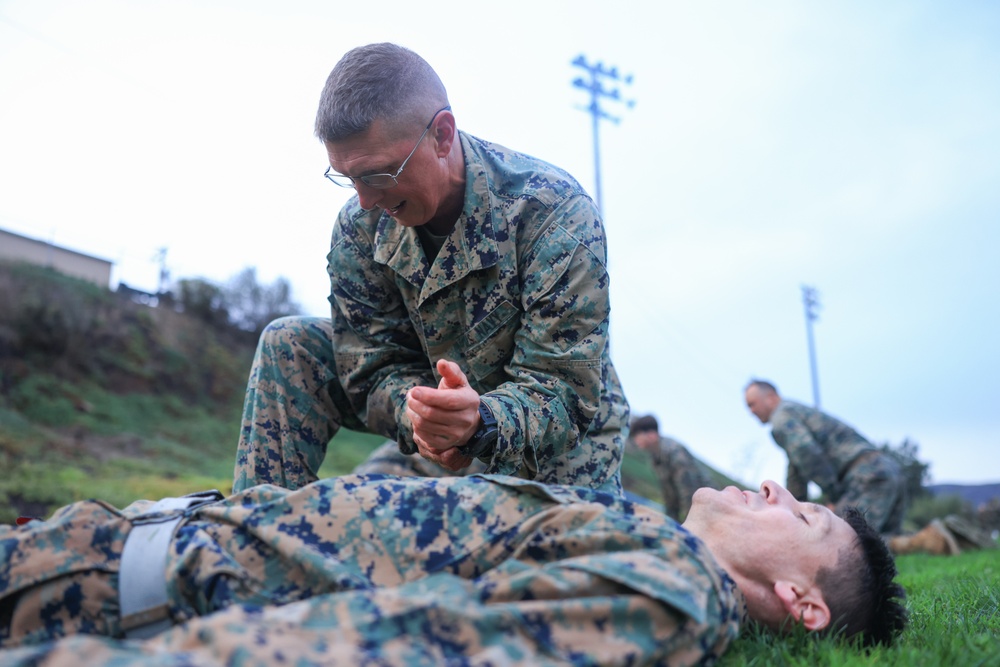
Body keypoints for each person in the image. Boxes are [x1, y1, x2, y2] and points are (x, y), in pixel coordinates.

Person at [233, 42, 629, 496]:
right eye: (348, 178)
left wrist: (479, 420)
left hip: (554, 448)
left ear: (442, 135)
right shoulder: (361, 226)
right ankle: (255, 538)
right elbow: (370, 365)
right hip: (437, 443)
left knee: (542, 562)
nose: (364, 199)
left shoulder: (554, 214)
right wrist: (421, 416)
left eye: (378, 173)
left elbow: (561, 391)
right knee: (290, 344)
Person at [0, 474, 906, 664]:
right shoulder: (642, 526)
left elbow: (390, 650)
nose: (774, 486)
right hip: (86, 540)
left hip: (79, 609)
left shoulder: (675, 593)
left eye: (805, 515)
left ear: (801, 602)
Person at [744, 379, 907, 535]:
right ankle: (925, 540)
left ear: (771, 397)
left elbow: (806, 452)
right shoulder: (796, 411)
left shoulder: (781, 418)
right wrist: (795, 509)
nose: (751, 412)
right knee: (884, 540)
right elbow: (796, 468)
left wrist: (834, 494)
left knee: (841, 538)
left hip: (866, 476)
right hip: (886, 469)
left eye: (752, 404)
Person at [628, 414, 713, 519]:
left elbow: (689, 492)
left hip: (707, 506)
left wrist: (690, 524)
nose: (636, 441)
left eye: (637, 435)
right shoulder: (656, 458)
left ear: (651, 435)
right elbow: (669, 496)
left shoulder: (674, 452)